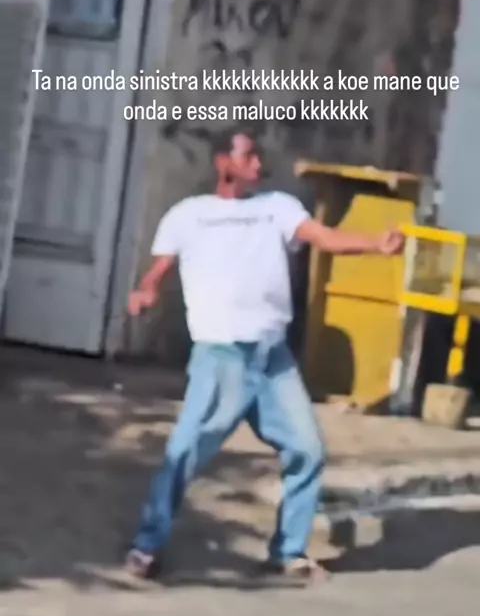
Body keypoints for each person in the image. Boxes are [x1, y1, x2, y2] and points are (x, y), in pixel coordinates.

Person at [125, 130, 404, 583]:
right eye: (248, 156)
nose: (258, 165)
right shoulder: (188, 215)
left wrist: (376, 244)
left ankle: (288, 552)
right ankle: (147, 545)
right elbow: (159, 268)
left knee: (308, 450)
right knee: (184, 452)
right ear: (223, 163)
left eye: (258, 156)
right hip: (221, 358)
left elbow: (324, 238)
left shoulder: (278, 207)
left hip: (273, 360)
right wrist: (147, 291)